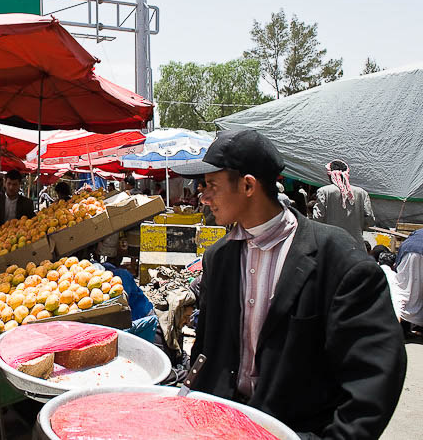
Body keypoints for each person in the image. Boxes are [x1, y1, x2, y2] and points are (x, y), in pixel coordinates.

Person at [173, 129, 405, 440]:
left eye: (212, 185)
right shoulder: (219, 258)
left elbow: (375, 376)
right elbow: (207, 351)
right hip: (222, 427)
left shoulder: (337, 259)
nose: (203, 196)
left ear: (248, 185)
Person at [312, 160, 376, 245]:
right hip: (356, 245)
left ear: (329, 175)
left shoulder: (324, 191)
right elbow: (370, 220)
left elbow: (317, 218)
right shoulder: (362, 193)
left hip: (331, 245)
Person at [394, 229, 423, 335]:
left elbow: (398, 262)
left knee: (404, 290)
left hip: (407, 252)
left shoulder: (415, 235)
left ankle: (401, 327)